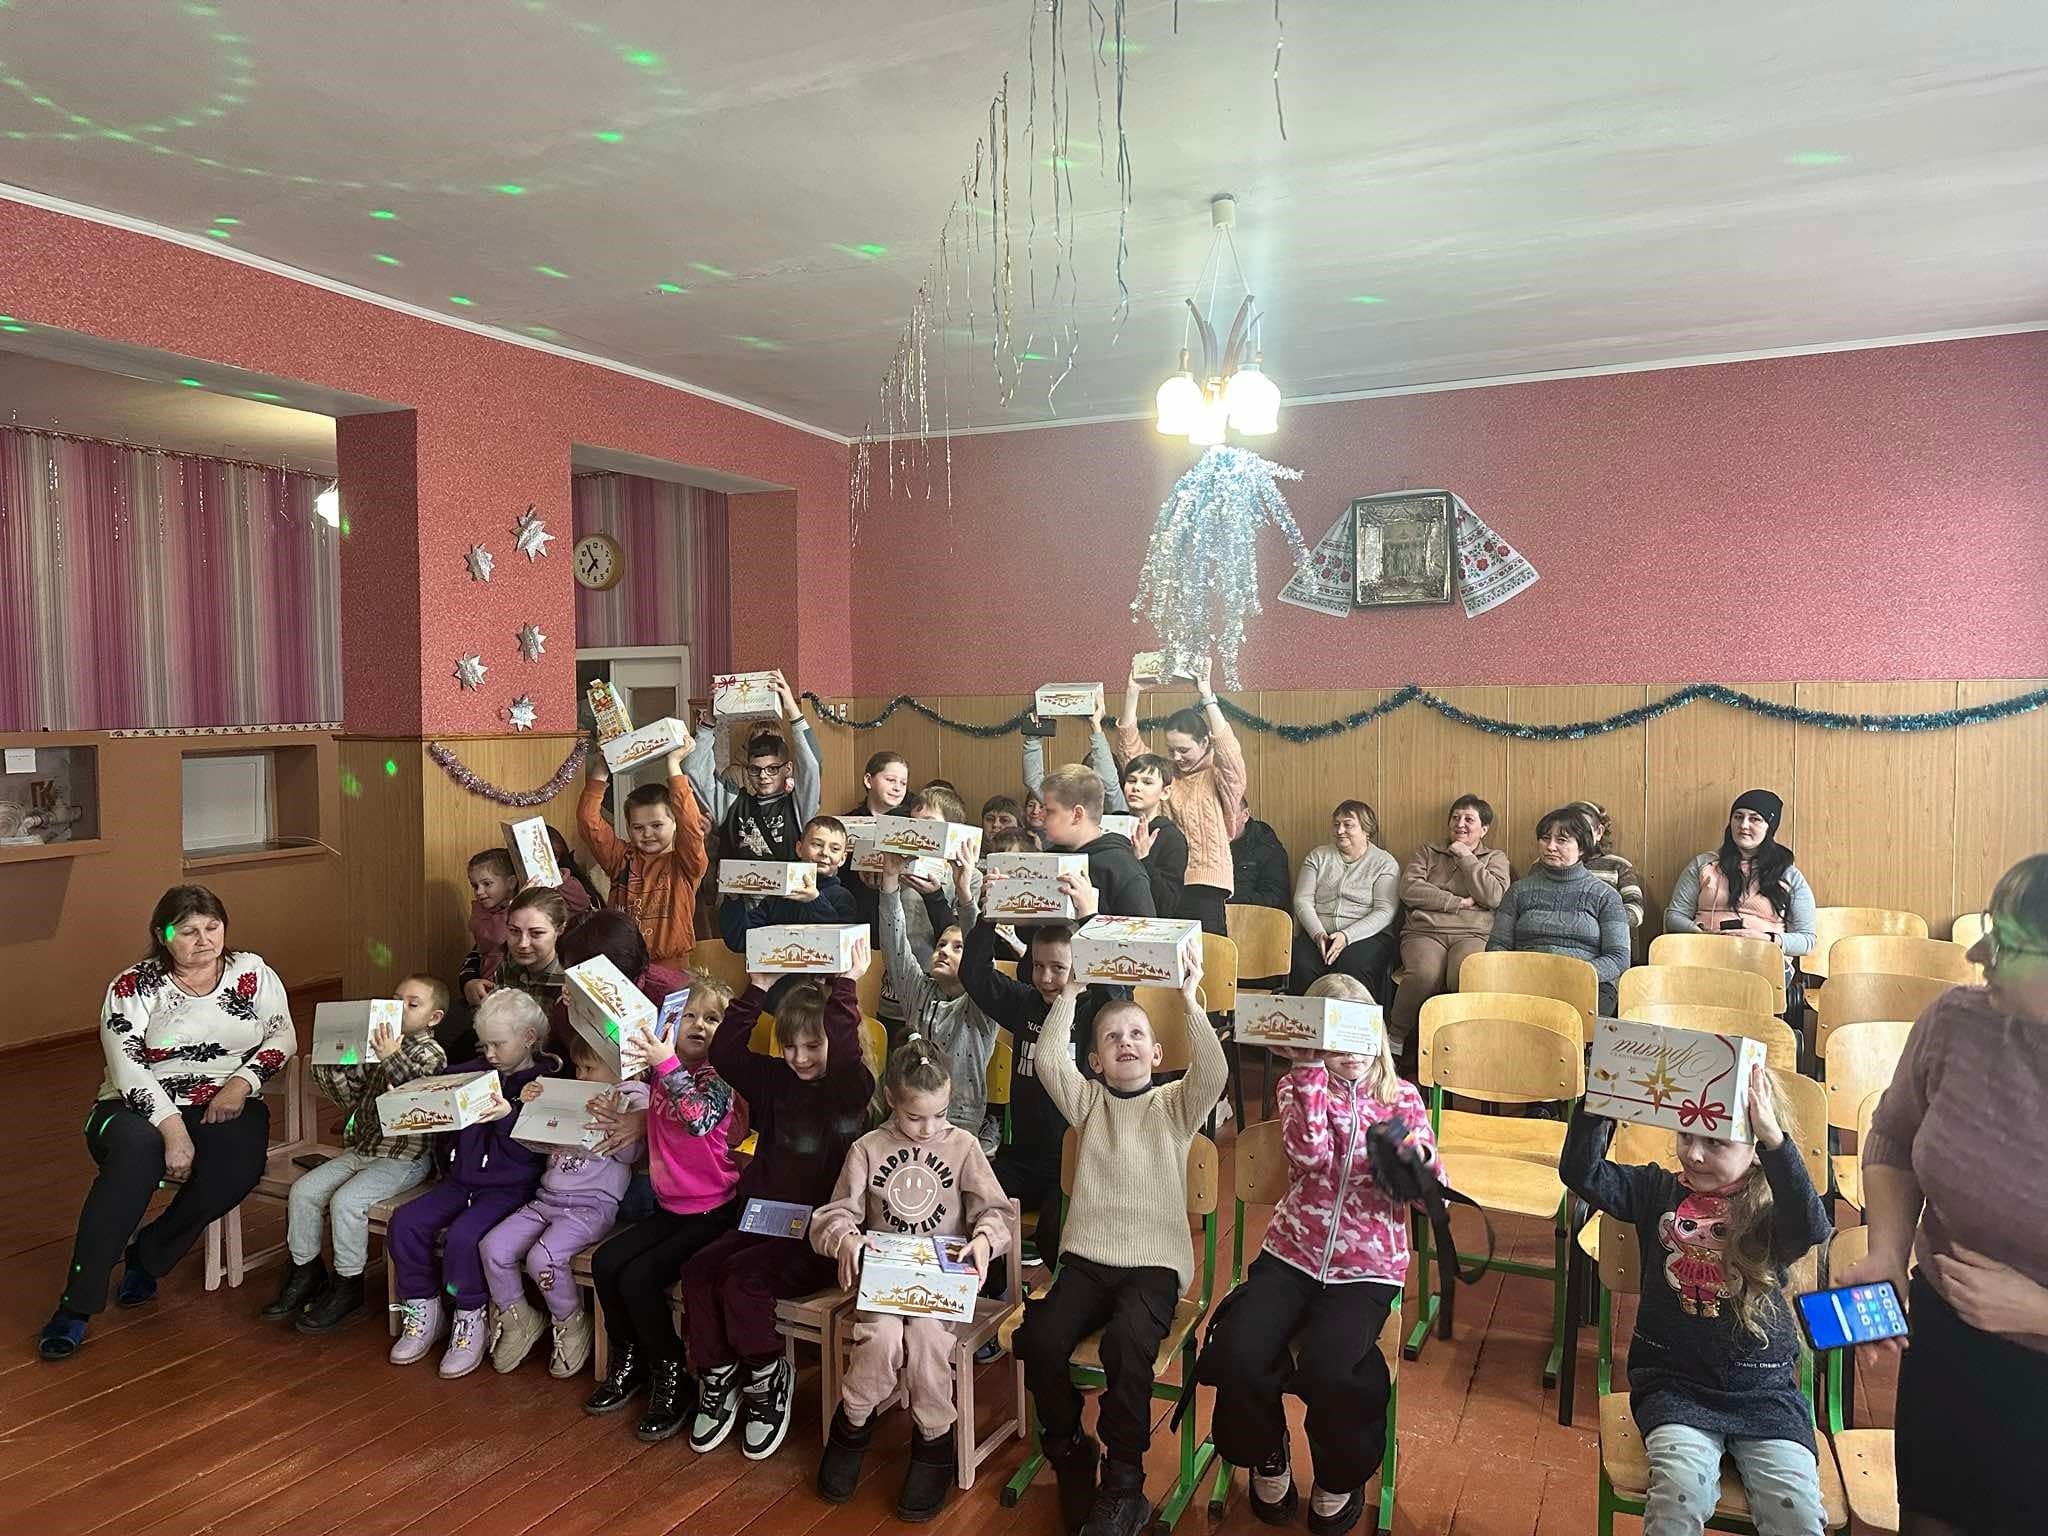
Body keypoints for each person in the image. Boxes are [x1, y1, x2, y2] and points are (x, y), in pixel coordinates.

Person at [1837, 854, 2048, 1536]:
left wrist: (2038, 1310)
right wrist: (1889, 1253)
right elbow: (1895, 1141)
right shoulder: (1959, 1019)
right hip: (1949, 1343)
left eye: (2011, 945)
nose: (1980, 953)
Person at [1206, 975, 1435, 1536]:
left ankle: (1340, 1474)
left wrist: (1413, 1167)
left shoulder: (1400, 1098)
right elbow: (1308, 1158)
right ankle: (1266, 1448)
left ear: (1376, 1035)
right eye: (1334, 1039)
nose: (1349, 1053)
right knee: (1237, 1348)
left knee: (1333, 1368)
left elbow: (1427, 1187)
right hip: (1292, 1253)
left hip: (1368, 1268)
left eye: (1358, 1036)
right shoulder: (1297, 1085)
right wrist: (1308, 1068)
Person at [1560, 1063, 1829, 1536]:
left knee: (1798, 1515)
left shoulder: (1771, 1211)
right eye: (1686, 1137)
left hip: (1764, 1396)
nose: (1695, 1155)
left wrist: (1776, 1141)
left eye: (1716, 1142)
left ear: (1755, 1149)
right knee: (1676, 1502)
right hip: (1675, 1388)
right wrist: (1599, 1102)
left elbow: (1810, 1226)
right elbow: (1581, 1172)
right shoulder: (1655, 1190)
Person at [1017, 949, 1227, 1536]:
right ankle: (1066, 1449)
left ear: (1157, 1054)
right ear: (1097, 1060)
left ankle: (1124, 1484)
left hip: (1151, 1270)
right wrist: (1072, 990)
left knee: (1127, 1347)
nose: (1126, 1043)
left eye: (1137, 1034)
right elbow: (1050, 1064)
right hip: (1085, 1264)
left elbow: (1213, 1073)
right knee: (1039, 1336)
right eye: (1112, 1038)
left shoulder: (1174, 1107)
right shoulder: (1088, 1105)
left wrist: (1189, 999)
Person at [40, 886, 295, 1360]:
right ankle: (77, 1305)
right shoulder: (133, 986)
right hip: (133, 1106)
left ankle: (149, 1254)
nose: (204, 940)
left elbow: (282, 1034)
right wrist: (172, 1129)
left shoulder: (252, 972)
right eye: (189, 931)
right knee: (136, 1158)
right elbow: (127, 1067)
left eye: (213, 928)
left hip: (223, 1097)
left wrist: (241, 1084)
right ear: (163, 935)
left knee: (236, 1170)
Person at [812, 1038, 1010, 1521]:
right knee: (879, 1338)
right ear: (892, 1102)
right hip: (882, 1281)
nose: (929, 1128)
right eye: (916, 1117)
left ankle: (934, 1438)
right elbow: (831, 1217)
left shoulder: (963, 1146)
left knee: (923, 1342)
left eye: (940, 1115)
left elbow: (997, 1212)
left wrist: (984, 1240)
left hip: (940, 1289)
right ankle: (853, 1422)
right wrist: (847, 1240)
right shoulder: (868, 1148)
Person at [681, 971, 873, 1461]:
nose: (800, 1058)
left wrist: (846, 986)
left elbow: (847, 1052)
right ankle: (719, 1373)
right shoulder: (775, 1080)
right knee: (699, 1269)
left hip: (819, 1236)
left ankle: (767, 1378)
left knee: (741, 1281)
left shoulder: (848, 1086)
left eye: (812, 1046)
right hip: (762, 1219)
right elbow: (724, 1052)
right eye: (790, 1046)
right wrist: (758, 986)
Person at [584, 977, 746, 1442]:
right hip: (670, 1207)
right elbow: (660, 1113)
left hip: (711, 1211)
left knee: (638, 1277)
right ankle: (628, 1360)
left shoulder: (719, 1078)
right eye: (689, 1015)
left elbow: (697, 1119)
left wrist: (666, 1061)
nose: (699, 1025)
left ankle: (673, 1377)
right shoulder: (661, 1072)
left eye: (712, 1019)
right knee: (606, 1261)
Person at [386, 989, 558, 1376]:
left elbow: (532, 1151)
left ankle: (470, 1315)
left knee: (465, 1238)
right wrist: (409, 1096)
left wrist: (507, 1114)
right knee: (405, 1223)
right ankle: (423, 1306)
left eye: (499, 1044)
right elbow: (432, 1089)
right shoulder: (475, 1070)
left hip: (510, 1189)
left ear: (528, 1038)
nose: (491, 1054)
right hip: (460, 1181)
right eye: (485, 1045)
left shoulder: (544, 1082)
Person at [268, 974, 450, 1333]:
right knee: (304, 1191)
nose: (399, 1010)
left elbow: (418, 1099)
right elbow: (353, 1100)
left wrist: (391, 1058)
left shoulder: (432, 1054)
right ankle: (305, 1270)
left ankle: (347, 1283)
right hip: (363, 1149)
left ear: (434, 1018)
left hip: (403, 1157)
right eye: (395, 1001)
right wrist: (333, 1061)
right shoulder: (378, 1047)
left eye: (412, 1005)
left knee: (347, 1202)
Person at [480, 1029, 648, 1379]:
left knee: (544, 1258)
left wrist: (612, 1117)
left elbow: (633, 1154)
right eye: (578, 1068)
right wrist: (530, 1106)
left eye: (590, 1069)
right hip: (547, 1199)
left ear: (622, 1068)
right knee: (492, 1246)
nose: (581, 1077)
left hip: (592, 1207)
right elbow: (532, 1142)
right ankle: (518, 1318)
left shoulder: (634, 1098)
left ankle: (570, 1323)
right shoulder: (573, 1090)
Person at [960, 911, 1089, 1268]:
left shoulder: (1094, 1014)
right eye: (1038, 966)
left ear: (1080, 970)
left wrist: (1090, 917)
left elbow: (1117, 990)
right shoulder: (1024, 1002)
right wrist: (988, 918)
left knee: (1053, 1234)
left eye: (1059, 969)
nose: (1046, 978)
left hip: (1074, 1165)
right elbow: (973, 975)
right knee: (971, 1201)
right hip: (1023, 1159)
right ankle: (995, 1293)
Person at [1113, 655, 1246, 935]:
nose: (1176, 757)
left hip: (1206, 886)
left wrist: (1207, 695)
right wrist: (1132, 692)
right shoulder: (1167, 775)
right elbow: (1130, 753)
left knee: (1205, 965)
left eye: (1184, 750)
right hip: (1165, 879)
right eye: (1171, 749)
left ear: (1204, 742)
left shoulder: (1217, 775)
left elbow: (1230, 753)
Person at [883, 854, 1001, 1152]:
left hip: (960, 1117)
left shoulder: (983, 1004)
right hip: (908, 1112)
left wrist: (964, 895)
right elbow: (894, 945)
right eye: (940, 945)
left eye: (958, 947)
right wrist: (889, 884)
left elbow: (982, 956)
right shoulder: (919, 990)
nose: (944, 951)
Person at [1390, 795, 1512, 1057]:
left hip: (1472, 933)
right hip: (1425, 931)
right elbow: (1409, 888)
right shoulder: (1427, 851)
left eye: (1469, 819)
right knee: (1424, 974)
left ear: (1484, 829)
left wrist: (1467, 858)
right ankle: (1395, 1038)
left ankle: (1459, 1049)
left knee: (1463, 976)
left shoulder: (1495, 857)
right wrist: (1456, 902)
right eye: (1455, 817)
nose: (1461, 824)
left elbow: (1494, 896)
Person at [578, 742, 708, 970]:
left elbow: (691, 825)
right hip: (621, 963)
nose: (647, 834)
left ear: (675, 822)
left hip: (671, 966)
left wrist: (673, 765)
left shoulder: (686, 863)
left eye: (657, 825)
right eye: (638, 827)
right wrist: (601, 768)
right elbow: (589, 822)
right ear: (627, 827)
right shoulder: (620, 859)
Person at [1489, 807, 1630, 1016]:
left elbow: (1618, 957)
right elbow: (1497, 946)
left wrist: (1573, 975)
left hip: (1584, 984)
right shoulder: (1519, 891)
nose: (1551, 846)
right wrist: (1517, 974)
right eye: (1545, 838)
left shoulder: (1606, 895)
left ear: (1582, 847)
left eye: (1562, 840)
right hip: (1526, 982)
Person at [1665, 790, 1817, 982]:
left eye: (1755, 819)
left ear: (1769, 827)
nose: (1743, 825)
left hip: (1761, 959)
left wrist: (1768, 939)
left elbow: (1807, 940)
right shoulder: (1703, 864)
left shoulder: (1789, 875)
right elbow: (1674, 916)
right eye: (1738, 817)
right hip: (1704, 953)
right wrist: (1699, 934)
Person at [684, 670, 822, 862]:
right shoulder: (732, 803)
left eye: (772, 769)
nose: (763, 776)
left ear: (787, 769)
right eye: (755, 769)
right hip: (740, 891)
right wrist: (710, 718)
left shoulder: (799, 805)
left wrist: (791, 708)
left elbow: (812, 765)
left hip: (785, 892)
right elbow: (693, 769)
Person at [1291, 800, 1400, 1000]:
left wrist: (1346, 936)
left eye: (1348, 825)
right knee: (1301, 963)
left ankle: (1355, 1029)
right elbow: (1302, 901)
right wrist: (1318, 935)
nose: (1340, 830)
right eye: (1336, 824)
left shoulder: (1384, 863)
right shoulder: (1318, 857)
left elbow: (1385, 911)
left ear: (1367, 830)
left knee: (1353, 966)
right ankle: (1307, 1027)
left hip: (1366, 936)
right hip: (1319, 933)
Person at [1039, 763, 1155, 919]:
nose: (1040, 816)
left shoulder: (1123, 869)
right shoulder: (1047, 859)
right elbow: (1029, 936)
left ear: (1077, 815)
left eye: (1049, 810)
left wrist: (1088, 915)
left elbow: (1142, 939)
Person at [1121, 753, 1189, 921]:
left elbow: (1166, 905)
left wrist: (1144, 858)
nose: (1136, 787)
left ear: (1165, 792)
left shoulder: (1171, 837)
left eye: (1147, 782)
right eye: (1131, 780)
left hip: (1148, 927)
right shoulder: (1112, 824)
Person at [493, 888, 574, 1016]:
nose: (522, 944)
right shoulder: (508, 965)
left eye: (536, 933)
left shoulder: (570, 983)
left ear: (560, 930)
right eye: (514, 931)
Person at [1569, 800, 1647, 933]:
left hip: (1604, 938)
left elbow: (1636, 911)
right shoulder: (1544, 864)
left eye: (1584, 831)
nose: (1577, 837)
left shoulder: (1618, 866)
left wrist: (1596, 924)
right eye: (1570, 831)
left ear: (1599, 832)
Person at [1231, 796, 1292, 912]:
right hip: (1209, 918)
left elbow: (1275, 897)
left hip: (1254, 917)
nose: (1222, 822)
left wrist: (1229, 901)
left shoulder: (1266, 845)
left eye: (1230, 816)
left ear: (1245, 815)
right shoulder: (1205, 842)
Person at [849, 749, 910, 818]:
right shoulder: (843, 824)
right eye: (891, 780)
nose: (897, 788)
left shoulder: (915, 822)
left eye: (903, 783)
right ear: (868, 781)